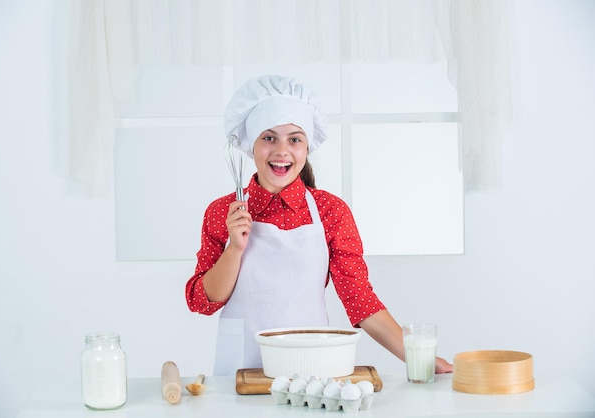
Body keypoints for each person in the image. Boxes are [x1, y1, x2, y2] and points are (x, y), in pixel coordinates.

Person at [185, 75, 453, 376]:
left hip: (309, 368)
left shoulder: (331, 212)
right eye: (269, 137)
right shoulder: (223, 211)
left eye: (294, 139)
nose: (282, 150)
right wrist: (234, 248)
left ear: (307, 148)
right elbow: (201, 302)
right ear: (251, 145)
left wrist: (419, 357)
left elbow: (360, 300)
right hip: (242, 370)